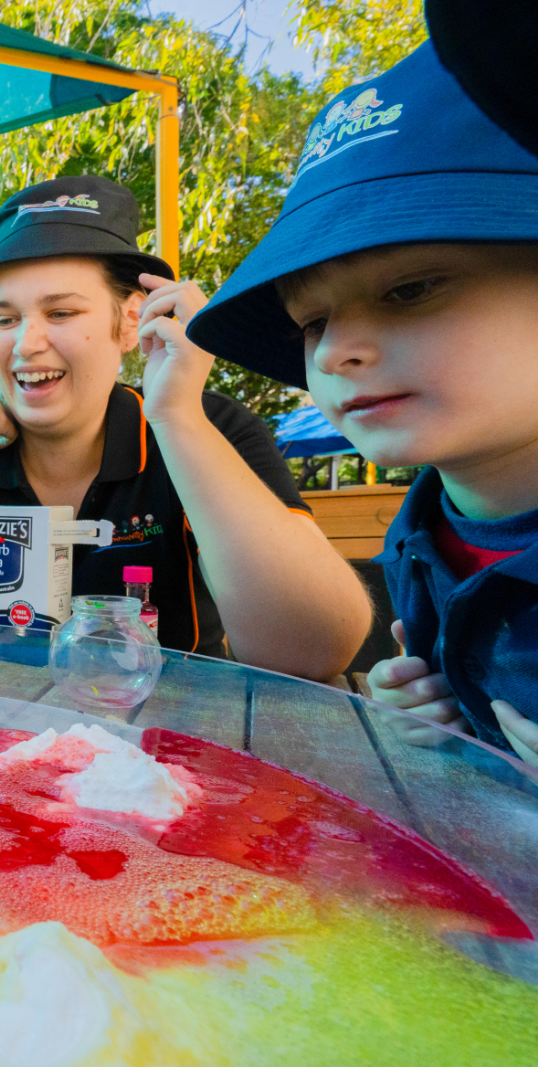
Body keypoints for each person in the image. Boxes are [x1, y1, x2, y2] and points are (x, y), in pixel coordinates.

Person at [0, 176, 370, 679]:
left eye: (62, 312)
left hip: (170, 741)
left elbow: (316, 649)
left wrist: (177, 418)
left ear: (130, 322)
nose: (27, 343)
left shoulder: (208, 425)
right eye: (5, 320)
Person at [187, 44, 538, 765]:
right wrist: (444, 712)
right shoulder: (421, 534)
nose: (331, 352)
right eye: (311, 322)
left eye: (410, 289)